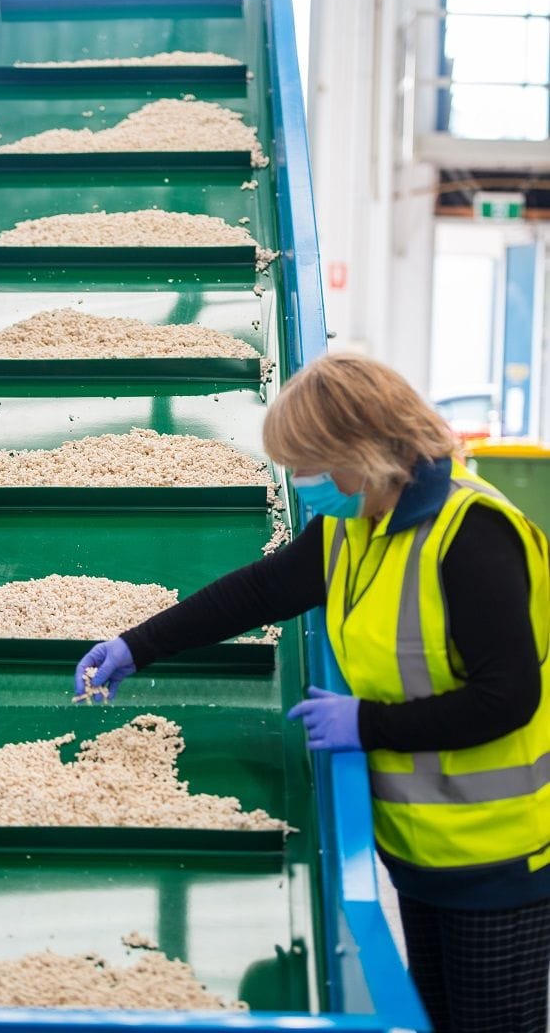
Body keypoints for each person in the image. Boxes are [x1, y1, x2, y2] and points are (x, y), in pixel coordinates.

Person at [75, 352, 550, 1033]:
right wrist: (137, 645)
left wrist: (368, 724)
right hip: (420, 850)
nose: (302, 484)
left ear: (363, 453)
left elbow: (507, 698)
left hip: (496, 857)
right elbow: (261, 590)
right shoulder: (355, 523)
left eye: (309, 466)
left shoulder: (472, 537)